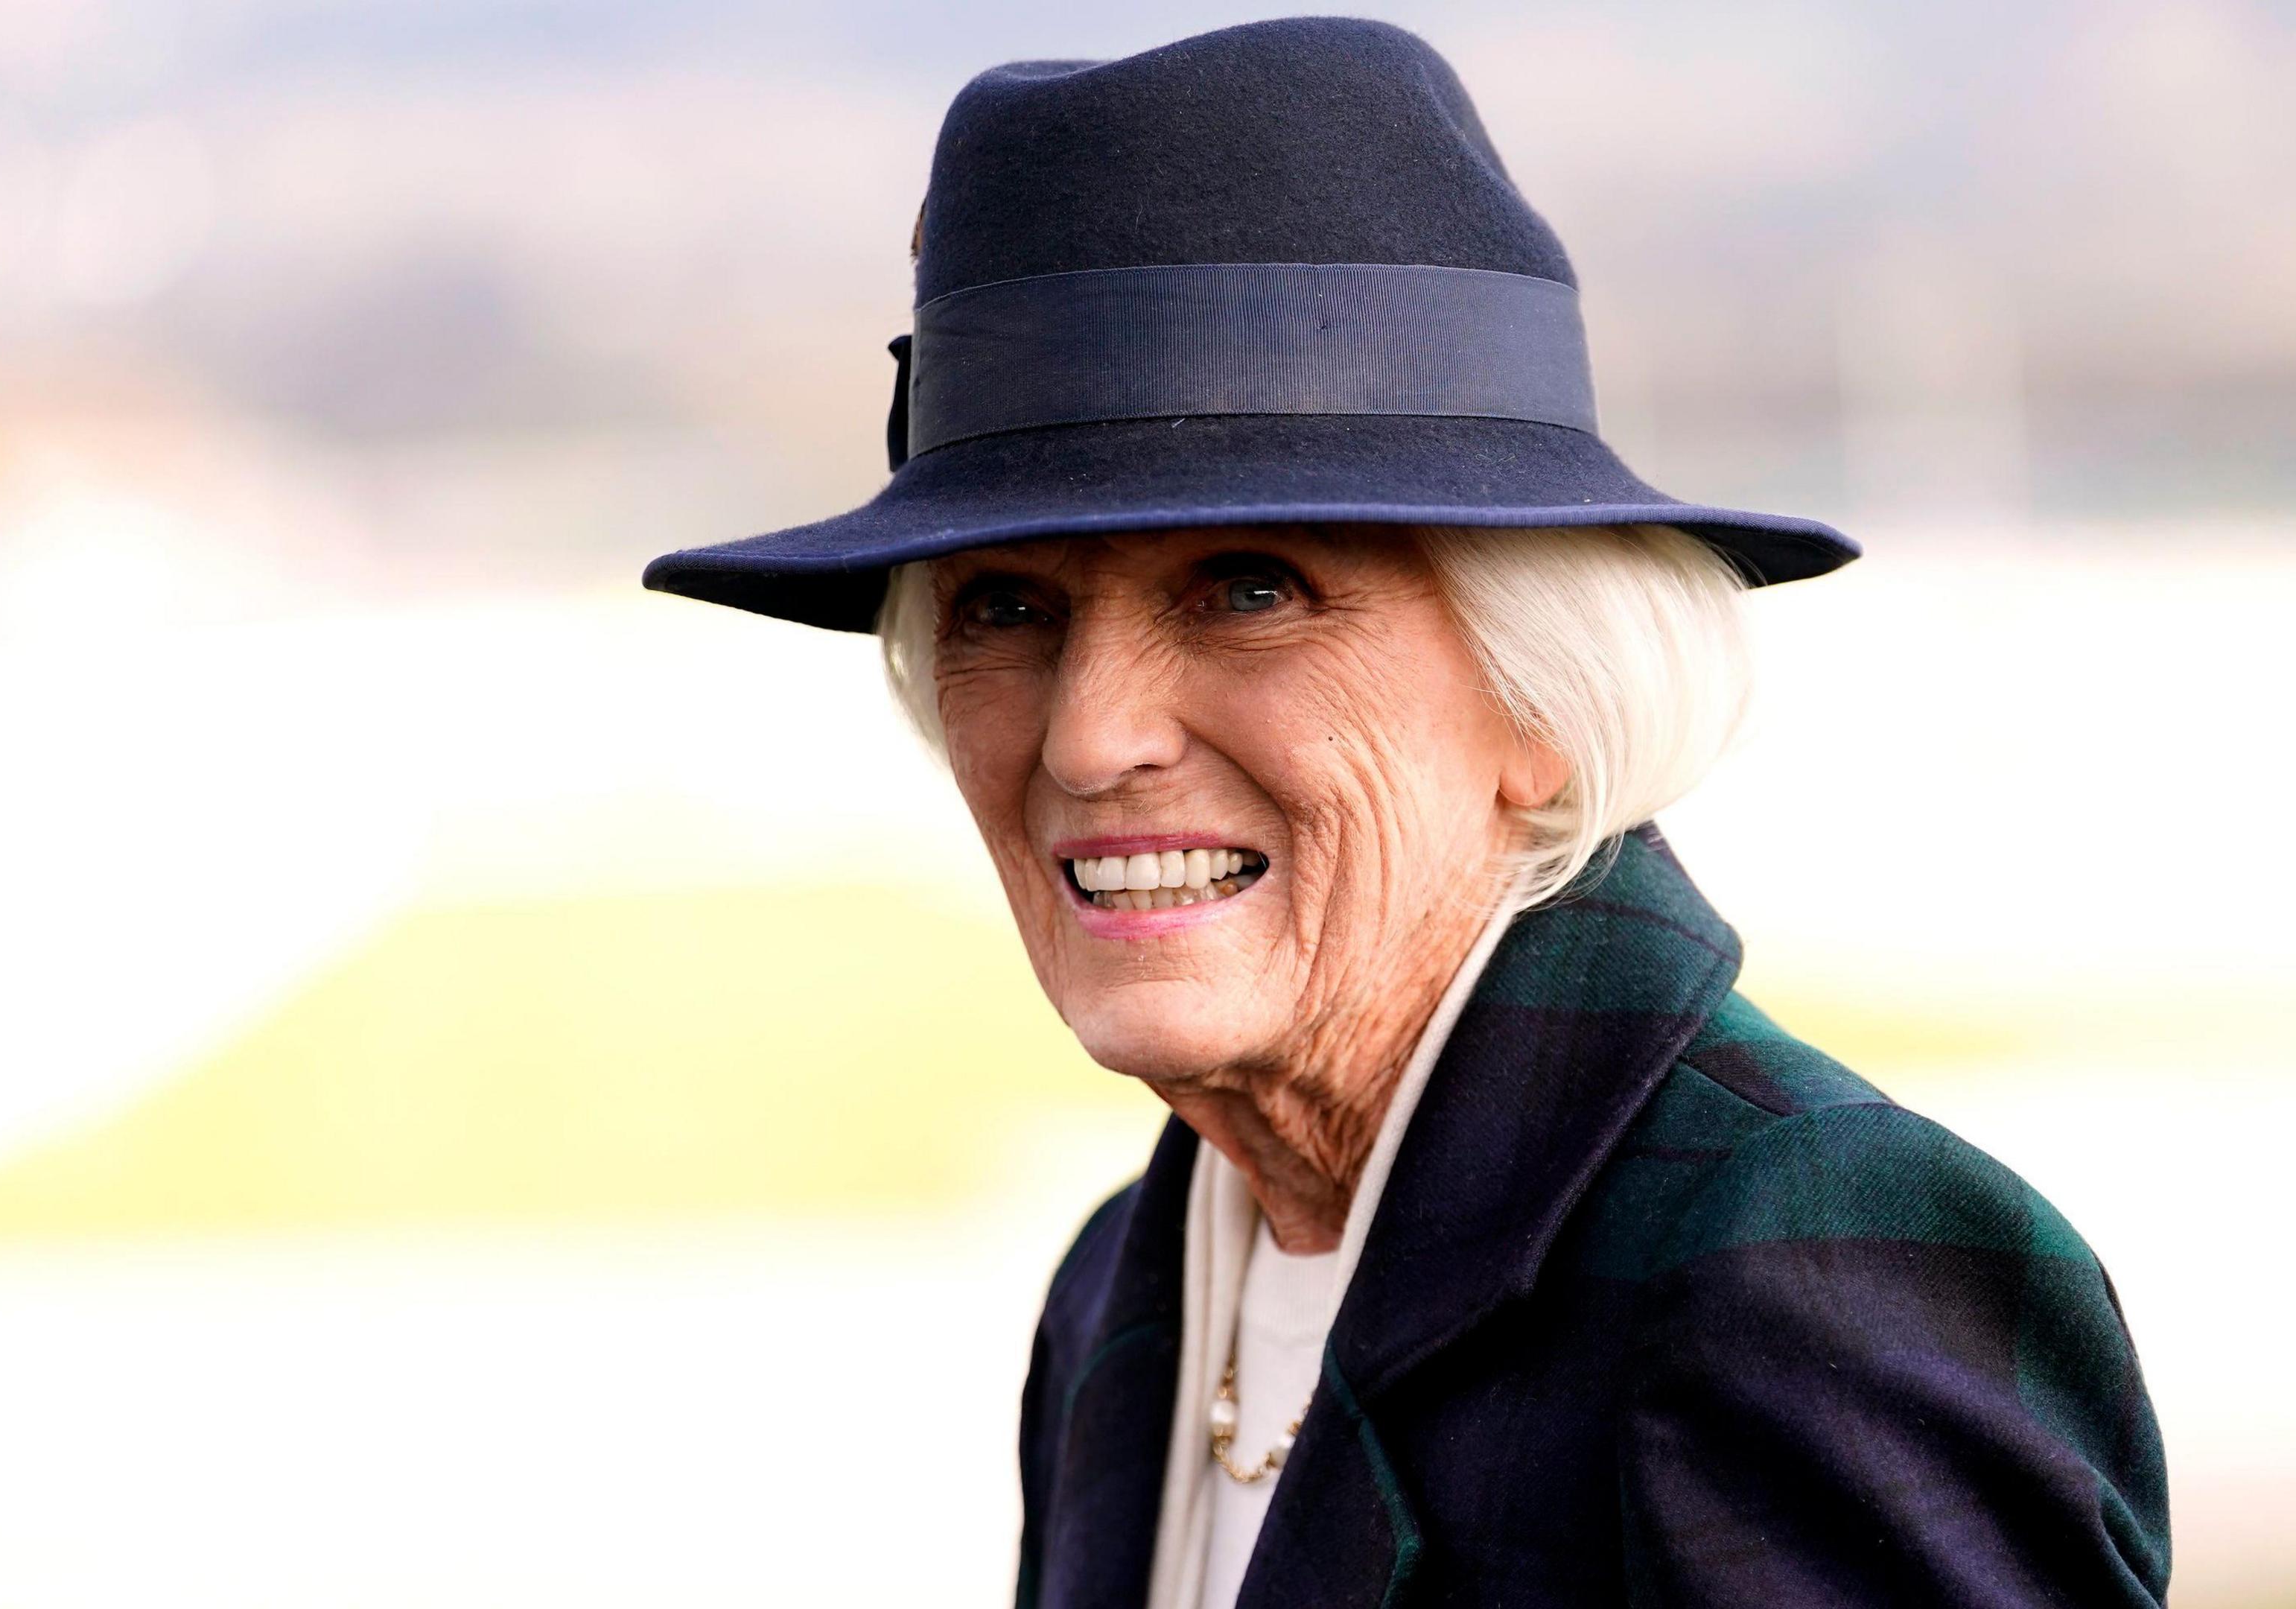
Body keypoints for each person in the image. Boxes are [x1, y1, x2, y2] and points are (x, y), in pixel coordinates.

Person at [643, 17, 2168, 1608]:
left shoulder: (1801, 1263)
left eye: (1250, 589)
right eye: (1006, 607)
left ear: (1543, 700)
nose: (1091, 739)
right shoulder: (1123, 1291)